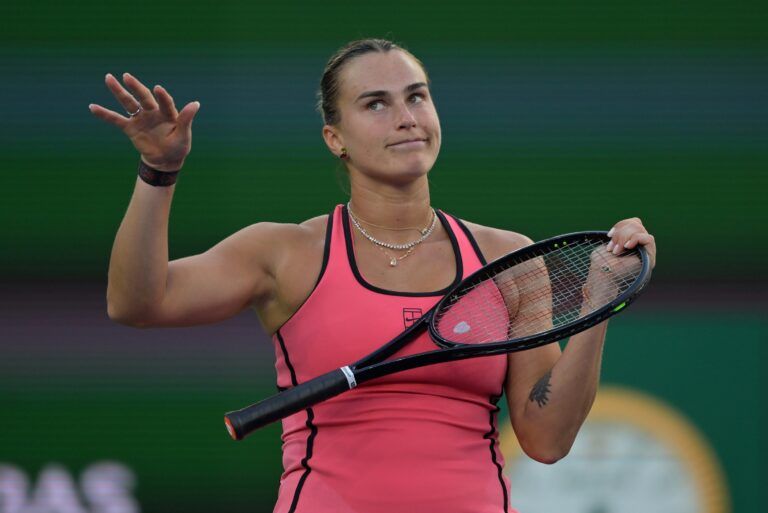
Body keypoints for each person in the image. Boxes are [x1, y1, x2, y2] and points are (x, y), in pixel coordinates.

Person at [91, 38, 657, 513]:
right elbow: (136, 302)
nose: (407, 117)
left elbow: (547, 439)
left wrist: (598, 299)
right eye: (376, 104)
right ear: (334, 138)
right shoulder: (284, 252)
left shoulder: (509, 258)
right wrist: (159, 170)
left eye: (417, 96)